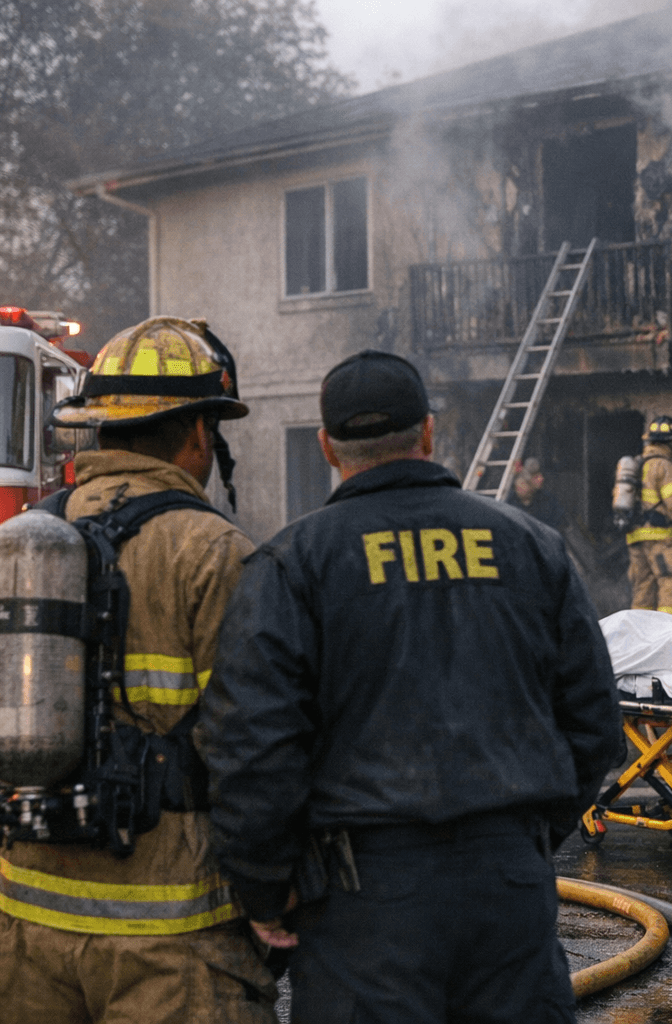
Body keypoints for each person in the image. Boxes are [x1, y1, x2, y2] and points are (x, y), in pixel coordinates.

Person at [197, 350, 625, 1024]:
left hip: (362, 903)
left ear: (327, 447)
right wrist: (528, 838)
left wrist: (266, 888)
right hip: (509, 885)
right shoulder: (530, 545)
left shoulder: (293, 563)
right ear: (428, 431)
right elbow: (595, 723)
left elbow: (253, 745)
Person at [0, 318, 276, 1022]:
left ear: (98, 427)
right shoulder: (216, 554)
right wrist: (270, 896)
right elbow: (254, 749)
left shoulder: (16, 549)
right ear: (199, 432)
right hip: (175, 948)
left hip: (32, 933)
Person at [625, 414, 672, 618]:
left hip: (635, 538)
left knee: (643, 590)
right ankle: (668, 631)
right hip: (660, 538)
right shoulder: (663, 466)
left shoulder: (637, 465)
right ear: (670, 444)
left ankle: (641, 634)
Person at [507, 456, 565, 531]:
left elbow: (560, 526)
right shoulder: (508, 501)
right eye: (535, 475)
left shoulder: (548, 500)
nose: (541, 478)